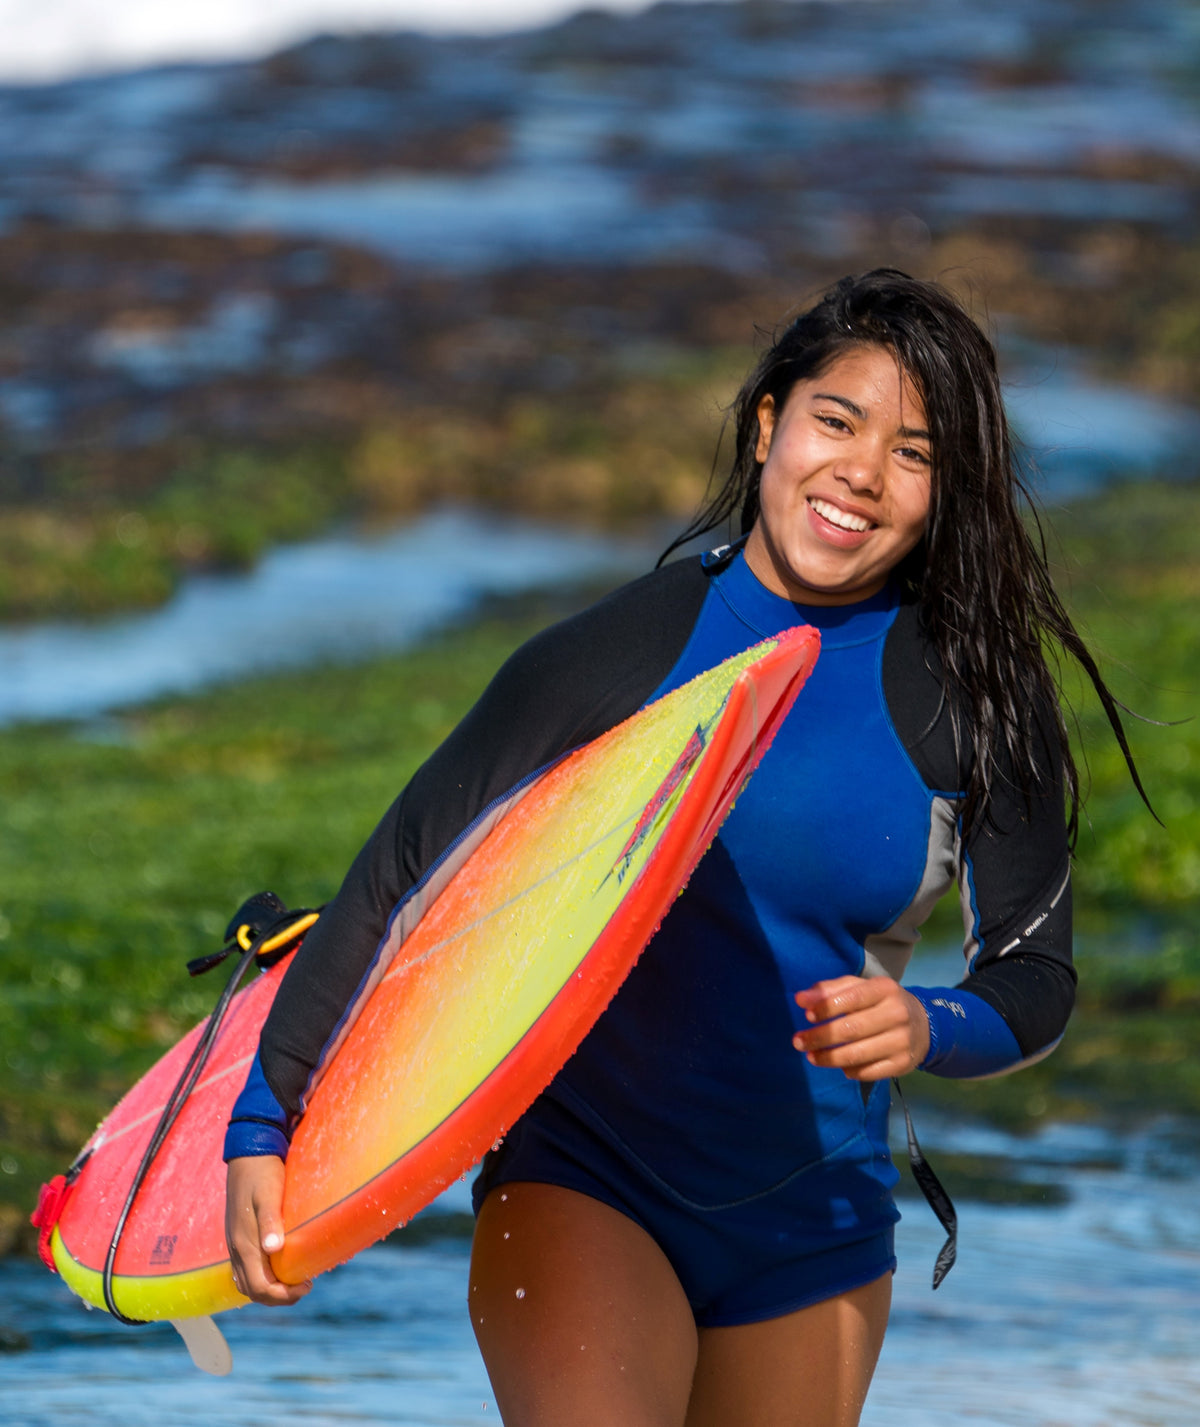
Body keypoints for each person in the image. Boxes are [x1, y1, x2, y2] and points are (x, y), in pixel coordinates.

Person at [224, 269, 1142, 1426]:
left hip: (814, 1215)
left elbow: (1036, 974)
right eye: (835, 420)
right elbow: (401, 874)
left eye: (914, 453)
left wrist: (930, 1022)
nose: (860, 471)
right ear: (770, 426)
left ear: (944, 496)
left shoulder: (972, 701)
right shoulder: (620, 654)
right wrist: (265, 1119)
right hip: (585, 1173)